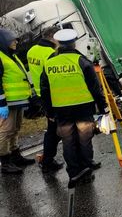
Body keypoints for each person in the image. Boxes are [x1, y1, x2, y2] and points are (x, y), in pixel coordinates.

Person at [40, 28, 107, 187]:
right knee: (84, 140)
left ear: (58, 43)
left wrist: (48, 111)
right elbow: (94, 88)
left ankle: (74, 173)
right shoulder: (82, 62)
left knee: (68, 141)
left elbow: (44, 89)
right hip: (83, 107)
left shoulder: (49, 63)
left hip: (61, 110)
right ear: (74, 42)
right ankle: (86, 168)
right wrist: (103, 106)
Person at [26, 25, 63, 173]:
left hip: (41, 94)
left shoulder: (32, 50)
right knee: (56, 130)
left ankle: (47, 160)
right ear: (53, 37)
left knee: (53, 128)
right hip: (53, 94)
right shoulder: (51, 52)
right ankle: (48, 161)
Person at [0, 28, 35, 174]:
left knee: (15, 129)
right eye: (12, 39)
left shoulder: (11, 56)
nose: (16, 41)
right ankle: (5, 162)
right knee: (5, 131)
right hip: (7, 102)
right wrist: (1, 103)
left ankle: (15, 155)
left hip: (18, 100)